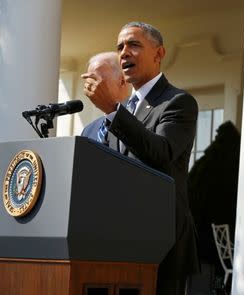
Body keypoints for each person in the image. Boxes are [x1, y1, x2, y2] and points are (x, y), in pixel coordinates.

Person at [82, 22, 199, 295]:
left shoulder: (177, 103)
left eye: (134, 44)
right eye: (120, 47)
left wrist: (112, 109)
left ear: (159, 54)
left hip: (162, 244)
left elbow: (161, 153)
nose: (124, 53)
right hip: (118, 242)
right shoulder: (122, 111)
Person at [81, 52, 129, 140]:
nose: (91, 87)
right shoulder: (88, 131)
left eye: (97, 80)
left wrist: (112, 110)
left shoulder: (141, 123)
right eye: (90, 80)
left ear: (122, 81)